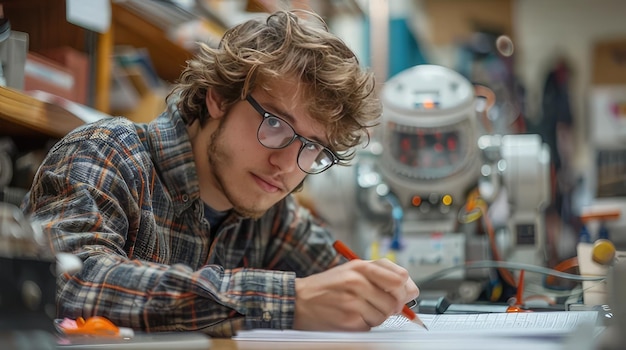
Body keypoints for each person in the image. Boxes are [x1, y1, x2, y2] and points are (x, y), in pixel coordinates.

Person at [21, 9, 419, 337]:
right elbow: (65, 282)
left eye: (312, 146)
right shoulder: (107, 153)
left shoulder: (272, 213)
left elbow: (338, 284)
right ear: (218, 98)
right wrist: (287, 301)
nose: (286, 164)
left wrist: (378, 291)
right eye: (276, 124)